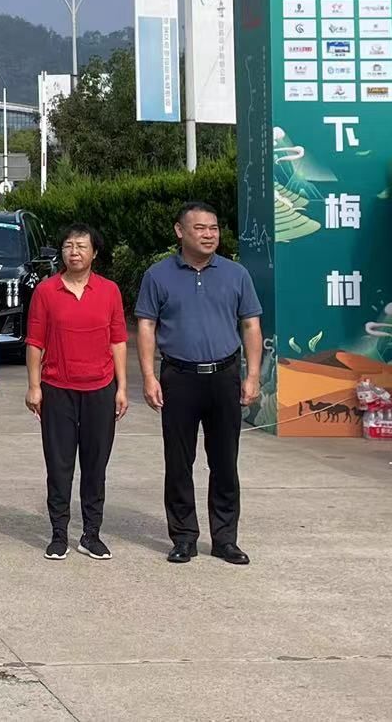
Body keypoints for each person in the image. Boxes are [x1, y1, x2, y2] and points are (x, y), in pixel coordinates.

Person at [135, 201, 264, 566]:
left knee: (225, 461)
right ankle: (183, 537)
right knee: (179, 462)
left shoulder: (236, 274)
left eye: (214, 228)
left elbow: (251, 324)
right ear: (180, 231)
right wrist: (149, 376)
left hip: (224, 376)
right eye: (200, 228)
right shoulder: (158, 275)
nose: (209, 235)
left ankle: (225, 539)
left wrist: (253, 375)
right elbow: (146, 326)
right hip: (178, 377)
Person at [24, 224, 128, 562]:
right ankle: (58, 535)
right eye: (68, 245)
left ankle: (91, 534)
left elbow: (118, 341)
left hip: (100, 388)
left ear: (94, 253)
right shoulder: (46, 291)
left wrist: (122, 387)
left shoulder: (109, 291)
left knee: (95, 466)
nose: (74, 252)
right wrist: (34, 386)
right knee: (59, 466)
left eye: (82, 246)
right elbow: (35, 342)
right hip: (57, 389)